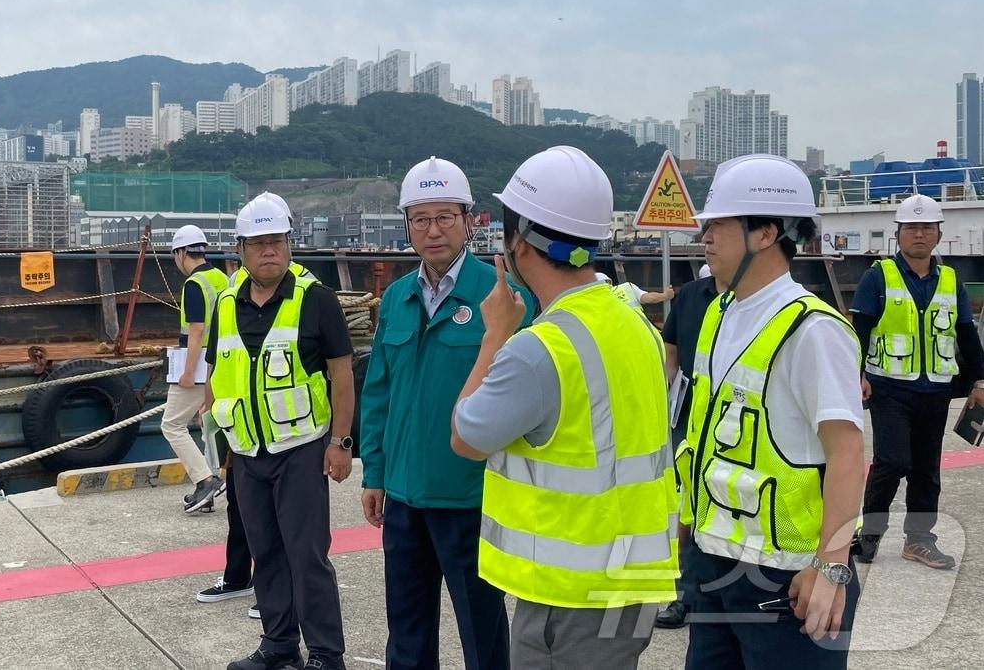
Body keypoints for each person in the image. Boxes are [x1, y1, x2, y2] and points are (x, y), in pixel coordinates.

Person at [450, 145, 679, 669]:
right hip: (633, 581)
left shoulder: (540, 349)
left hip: (571, 597)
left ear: (517, 242)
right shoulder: (634, 324)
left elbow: (465, 436)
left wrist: (494, 336)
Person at [680, 154, 865, 668]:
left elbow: (848, 453)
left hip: (785, 579)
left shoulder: (813, 330)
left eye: (717, 225)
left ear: (765, 232)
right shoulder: (720, 313)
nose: (705, 238)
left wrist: (831, 569)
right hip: (714, 563)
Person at [360, 157, 529, 670]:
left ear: (469, 220)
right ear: (407, 224)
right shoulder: (396, 297)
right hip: (405, 498)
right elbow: (378, 393)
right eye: (420, 219)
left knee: (482, 631)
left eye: (444, 217)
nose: (432, 231)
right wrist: (375, 472)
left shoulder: (502, 297)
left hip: (470, 495)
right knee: (406, 632)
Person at [205, 193, 355, 670]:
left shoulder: (316, 299)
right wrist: (224, 447)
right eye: (259, 243)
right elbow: (218, 376)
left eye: (278, 241)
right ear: (241, 249)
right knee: (265, 550)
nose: (269, 250)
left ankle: (327, 654)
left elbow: (342, 374)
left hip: (301, 449)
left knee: (307, 554)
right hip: (248, 453)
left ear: (289, 243)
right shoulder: (227, 303)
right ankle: (278, 645)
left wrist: (340, 442)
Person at [851, 194, 984, 569]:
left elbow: (966, 334)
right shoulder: (877, 276)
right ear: (899, 234)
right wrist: (855, 374)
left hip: (936, 390)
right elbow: (858, 330)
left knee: (927, 468)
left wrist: (979, 379)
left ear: (939, 234)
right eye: (912, 228)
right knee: (892, 461)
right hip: (889, 387)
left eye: (927, 227)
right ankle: (870, 536)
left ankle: (920, 541)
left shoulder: (950, 281)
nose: (920, 234)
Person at [652, 262, 726, 629]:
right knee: (687, 506)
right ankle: (683, 596)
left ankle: (716, 593)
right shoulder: (692, 297)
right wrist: (666, 395)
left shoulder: (763, 302)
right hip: (691, 415)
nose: (710, 238)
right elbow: (672, 346)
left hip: (738, 422)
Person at [163, 224, 229, 514]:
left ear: (180, 253)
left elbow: (197, 329)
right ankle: (208, 493)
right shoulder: (221, 278)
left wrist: (188, 372)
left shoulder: (193, 284)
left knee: (172, 424)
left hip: (199, 364)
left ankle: (206, 480)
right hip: (222, 361)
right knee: (207, 423)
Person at [596, 271, 675, 308]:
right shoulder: (627, 287)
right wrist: (665, 295)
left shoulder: (595, 301)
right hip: (639, 329)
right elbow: (648, 298)